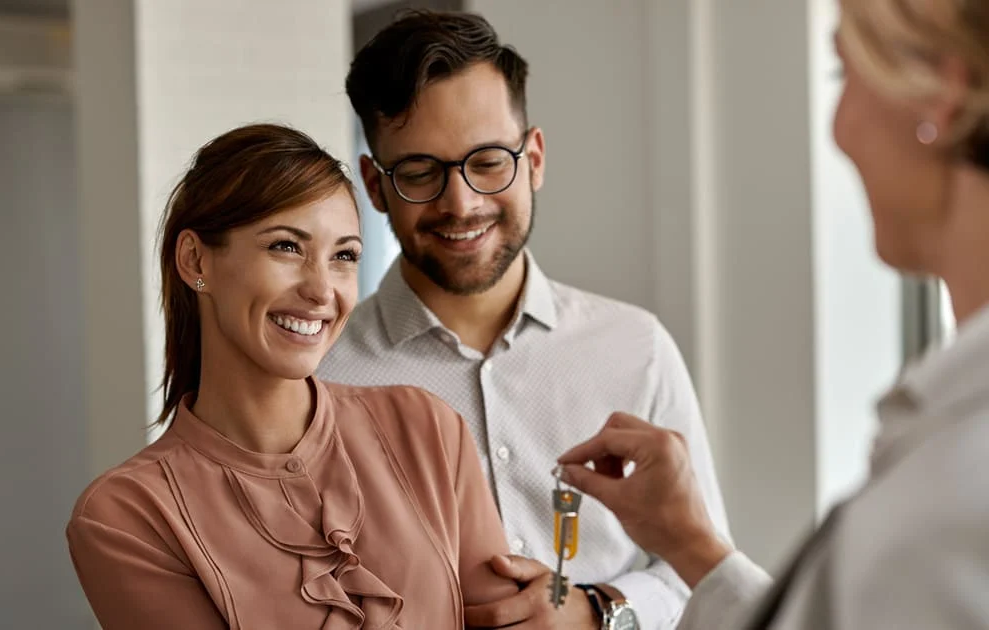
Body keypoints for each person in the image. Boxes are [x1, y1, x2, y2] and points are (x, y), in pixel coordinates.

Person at [557, 0, 989, 628]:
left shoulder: (979, 504)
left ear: (940, 100)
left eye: (845, 74)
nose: (839, 129)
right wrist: (693, 545)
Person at [316, 9, 745, 629]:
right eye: (418, 173)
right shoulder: (321, 375)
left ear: (534, 158)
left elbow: (704, 576)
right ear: (374, 187)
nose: (460, 203)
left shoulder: (636, 348)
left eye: (488, 161)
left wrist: (599, 613)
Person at [65, 123, 519, 629]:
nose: (322, 290)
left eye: (344, 256)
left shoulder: (427, 428)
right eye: (286, 247)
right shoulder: (128, 517)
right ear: (196, 259)